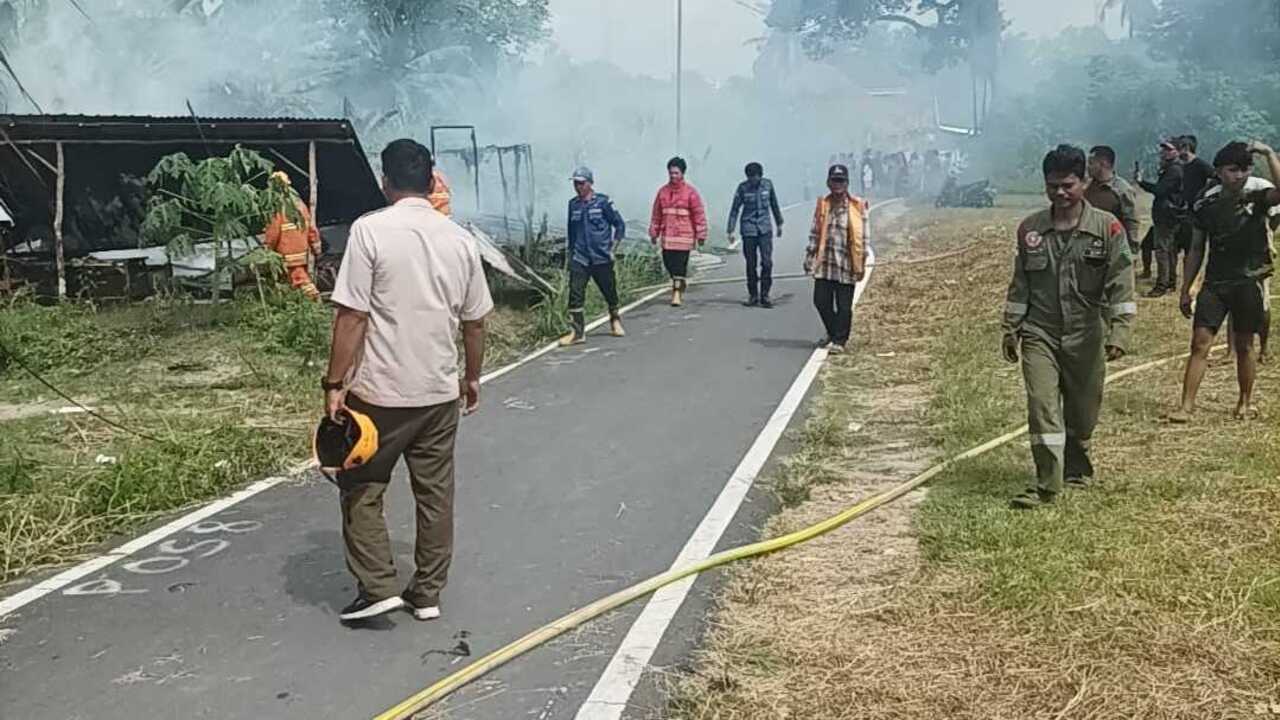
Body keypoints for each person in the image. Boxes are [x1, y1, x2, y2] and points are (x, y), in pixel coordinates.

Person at [323, 139, 493, 623]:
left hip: (379, 394)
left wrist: (334, 384)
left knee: (361, 484)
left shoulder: (369, 231)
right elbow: (475, 322)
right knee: (435, 495)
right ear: (432, 181)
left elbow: (352, 315)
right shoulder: (460, 240)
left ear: (385, 181)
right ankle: (427, 593)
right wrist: (472, 378)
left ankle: (377, 585)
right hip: (438, 393)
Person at [1002, 144, 1135, 509]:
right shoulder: (1030, 230)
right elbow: (1020, 285)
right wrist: (1011, 328)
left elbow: (1121, 283)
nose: (1060, 193)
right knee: (1042, 405)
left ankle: (1077, 465)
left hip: (1086, 333)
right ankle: (1047, 483)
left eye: (1067, 185)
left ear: (1084, 182)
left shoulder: (1107, 228)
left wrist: (1120, 331)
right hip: (1040, 332)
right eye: (1052, 186)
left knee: (1082, 411)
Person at [1168, 141, 1280, 423]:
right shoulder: (1205, 203)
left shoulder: (1257, 197)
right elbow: (1196, 248)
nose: (1239, 175)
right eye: (1232, 169)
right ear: (1218, 171)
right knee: (1199, 343)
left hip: (1248, 281)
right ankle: (1186, 406)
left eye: (1244, 169)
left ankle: (1245, 402)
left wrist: (1268, 154)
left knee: (1244, 345)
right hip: (1215, 284)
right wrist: (1186, 288)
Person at [804, 164, 867, 354]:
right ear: (828, 182)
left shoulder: (857, 206)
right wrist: (809, 257)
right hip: (826, 263)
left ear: (847, 183)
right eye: (834, 180)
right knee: (821, 301)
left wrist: (861, 262)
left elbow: (864, 237)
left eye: (841, 181)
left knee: (844, 306)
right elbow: (815, 233)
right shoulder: (823, 205)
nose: (838, 184)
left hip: (847, 264)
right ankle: (832, 333)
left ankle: (840, 340)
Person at [560, 166, 627, 345]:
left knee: (609, 291)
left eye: (581, 183)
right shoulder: (573, 204)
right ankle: (577, 332)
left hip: (601, 257)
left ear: (590, 183)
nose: (578, 187)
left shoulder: (603, 202)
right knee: (575, 293)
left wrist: (613, 248)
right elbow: (571, 232)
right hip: (580, 257)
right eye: (575, 183)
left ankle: (615, 320)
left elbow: (619, 225)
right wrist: (570, 254)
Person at [649, 156, 708, 307]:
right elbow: (656, 214)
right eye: (671, 173)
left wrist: (701, 234)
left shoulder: (691, 193)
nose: (673, 176)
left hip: (684, 237)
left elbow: (699, 214)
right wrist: (654, 232)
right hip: (668, 238)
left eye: (676, 173)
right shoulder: (662, 192)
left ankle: (676, 293)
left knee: (679, 266)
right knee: (669, 263)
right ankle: (679, 283)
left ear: (682, 173)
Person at [727, 161, 784, 308]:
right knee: (751, 263)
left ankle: (765, 295)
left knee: (767, 262)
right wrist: (730, 230)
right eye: (750, 177)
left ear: (760, 175)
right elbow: (735, 210)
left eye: (756, 177)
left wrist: (779, 223)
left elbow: (774, 204)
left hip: (765, 229)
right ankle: (753, 295)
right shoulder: (742, 188)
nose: (753, 180)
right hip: (749, 230)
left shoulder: (768, 185)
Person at [1136, 139, 1185, 297]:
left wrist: (1141, 182)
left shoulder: (1174, 170)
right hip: (1167, 215)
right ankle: (1169, 282)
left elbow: (1160, 190)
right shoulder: (1172, 168)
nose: (1164, 152)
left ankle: (1162, 285)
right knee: (1167, 249)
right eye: (1163, 149)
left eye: (1168, 149)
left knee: (1162, 250)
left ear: (1176, 151)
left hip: (1167, 217)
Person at [264, 171, 322, 301]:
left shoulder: (277, 208)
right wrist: (316, 247)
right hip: (302, 251)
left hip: (287, 253)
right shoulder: (300, 204)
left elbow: (273, 233)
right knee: (293, 280)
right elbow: (311, 229)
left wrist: (267, 249)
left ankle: (314, 302)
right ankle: (298, 303)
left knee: (299, 279)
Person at [1085, 145, 1141, 254]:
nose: (1088, 167)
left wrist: (1131, 249)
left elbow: (1131, 221)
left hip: (1112, 246)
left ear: (1103, 164)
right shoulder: (1086, 186)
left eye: (1091, 163)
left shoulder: (1122, 190)